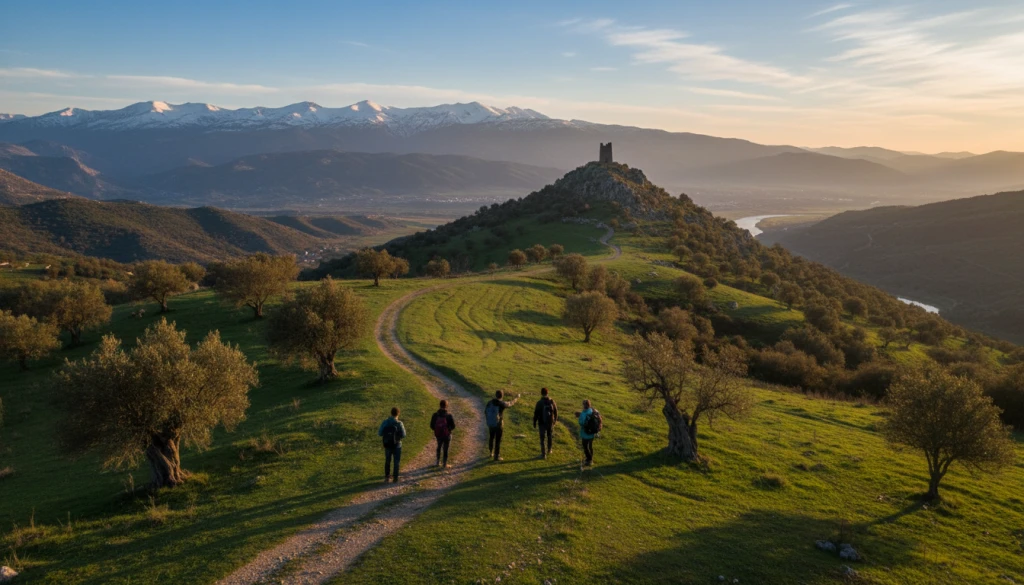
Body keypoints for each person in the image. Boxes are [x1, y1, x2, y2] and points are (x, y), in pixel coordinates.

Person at [484, 389, 519, 461]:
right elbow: (510, 403)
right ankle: (496, 456)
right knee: (498, 440)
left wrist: (489, 419)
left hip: (491, 424)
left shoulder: (490, 402)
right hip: (498, 424)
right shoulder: (501, 403)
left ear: (495, 395)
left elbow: (485, 412)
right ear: (502, 396)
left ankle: (491, 452)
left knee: (491, 437)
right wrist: (517, 398)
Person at [378, 407, 407, 482]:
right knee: (396, 461)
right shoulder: (399, 423)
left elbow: (380, 433)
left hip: (387, 444)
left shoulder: (385, 422)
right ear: (398, 414)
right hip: (397, 445)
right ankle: (395, 478)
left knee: (388, 460)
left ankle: (387, 477)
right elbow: (404, 435)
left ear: (391, 413)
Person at [430, 399, 457, 468]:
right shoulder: (449, 415)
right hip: (447, 435)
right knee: (446, 449)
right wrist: (448, 430)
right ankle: (444, 464)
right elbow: (453, 426)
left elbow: (431, 425)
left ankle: (437, 462)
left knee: (438, 447)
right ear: (446, 406)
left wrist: (436, 430)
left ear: (440, 405)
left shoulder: (435, 415)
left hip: (438, 435)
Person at [532, 387, 558, 459]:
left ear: (541, 393)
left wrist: (534, 422)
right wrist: (554, 420)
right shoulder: (552, 401)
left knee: (542, 438)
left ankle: (543, 454)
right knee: (549, 436)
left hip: (542, 422)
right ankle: (550, 450)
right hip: (550, 422)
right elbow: (556, 411)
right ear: (547, 393)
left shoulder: (539, 403)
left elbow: (536, 413)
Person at [575, 399, 601, 467]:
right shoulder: (593, 410)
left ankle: (589, 459)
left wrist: (580, 416)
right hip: (592, 433)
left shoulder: (583, 413)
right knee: (590, 446)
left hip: (585, 433)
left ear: (584, 405)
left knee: (585, 446)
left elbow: (581, 423)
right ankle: (591, 458)